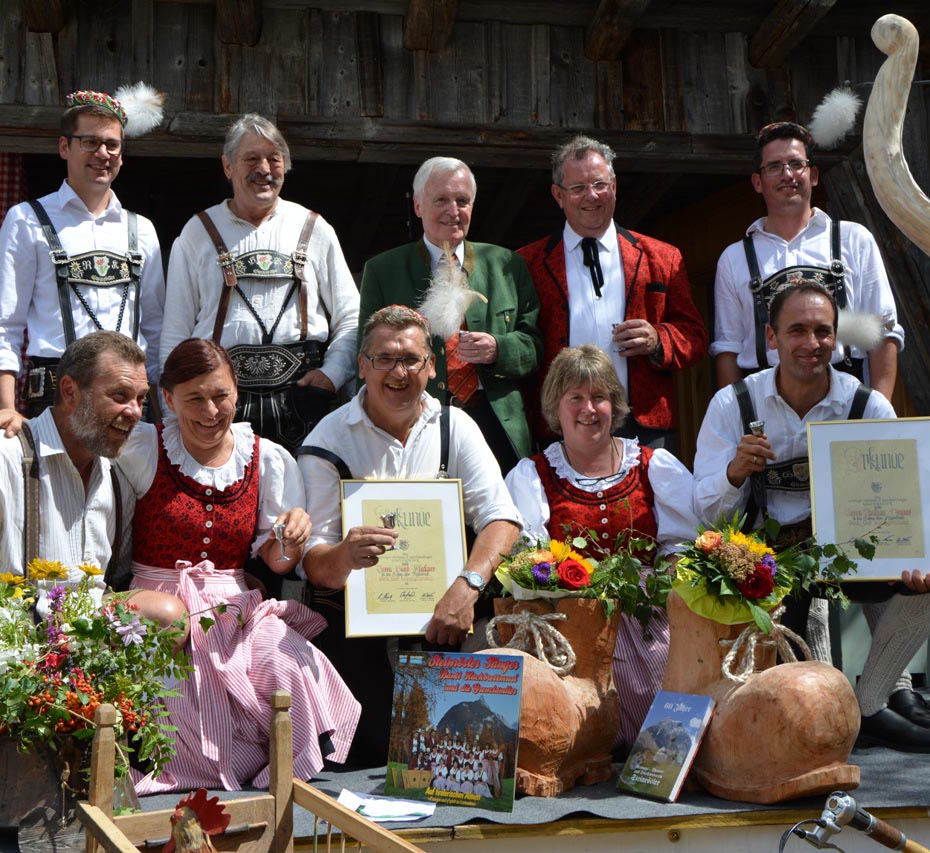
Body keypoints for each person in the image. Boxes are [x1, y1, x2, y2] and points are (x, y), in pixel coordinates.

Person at [0, 337, 363, 791]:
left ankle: (262, 767)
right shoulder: (143, 445)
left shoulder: (268, 458)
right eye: (195, 398)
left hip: (234, 604)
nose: (211, 411)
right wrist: (19, 419)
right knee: (175, 666)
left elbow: (279, 562)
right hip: (157, 600)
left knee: (292, 664)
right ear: (168, 400)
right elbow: (79, 433)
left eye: (221, 396)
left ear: (238, 392)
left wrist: (292, 534)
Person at [693, 282, 930, 752]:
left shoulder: (867, 405)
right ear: (771, 338)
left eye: (823, 331)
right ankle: (837, 708)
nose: (811, 344)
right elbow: (706, 515)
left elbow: (901, 498)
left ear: (837, 338)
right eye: (797, 330)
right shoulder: (734, 405)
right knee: (789, 691)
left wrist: (925, 544)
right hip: (766, 562)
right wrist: (734, 473)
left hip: (843, 552)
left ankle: (870, 701)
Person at [0, 331, 160, 787]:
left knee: (166, 614)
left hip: (70, 662)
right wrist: (10, 664)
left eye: (140, 398)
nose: (134, 412)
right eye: (118, 395)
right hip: (2, 658)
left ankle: (78, 740)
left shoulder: (114, 480)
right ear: (70, 390)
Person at [298, 306, 523, 766]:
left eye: (411, 360)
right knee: (368, 766)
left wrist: (468, 585)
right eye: (384, 359)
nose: (398, 373)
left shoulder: (454, 426)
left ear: (431, 366)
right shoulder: (327, 441)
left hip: (449, 624)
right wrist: (345, 554)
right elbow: (314, 564)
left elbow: (502, 520)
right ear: (361, 365)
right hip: (355, 637)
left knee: (458, 765)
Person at [504, 345, 699, 749]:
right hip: (574, 617)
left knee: (670, 695)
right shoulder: (533, 475)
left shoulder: (652, 464)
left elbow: (681, 542)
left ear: (616, 404)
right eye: (575, 398)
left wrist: (666, 577)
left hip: (651, 615)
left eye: (599, 397)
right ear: (556, 408)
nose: (588, 409)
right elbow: (530, 558)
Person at [159, 114, 358, 454]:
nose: (264, 169)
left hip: (305, 400)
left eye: (274, 159)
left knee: (304, 504)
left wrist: (333, 374)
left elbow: (351, 316)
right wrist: (173, 421)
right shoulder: (197, 232)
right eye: (251, 158)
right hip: (220, 403)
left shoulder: (314, 228)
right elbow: (175, 335)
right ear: (228, 166)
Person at [0, 88, 166, 416]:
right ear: (65, 147)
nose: (103, 153)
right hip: (58, 396)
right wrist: (5, 409)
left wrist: (163, 414)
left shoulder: (142, 231)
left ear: (122, 154)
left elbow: (153, 329)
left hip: (130, 403)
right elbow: (4, 322)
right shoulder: (26, 220)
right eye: (90, 142)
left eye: (112, 144)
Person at [518, 136, 707, 451]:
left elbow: (695, 336)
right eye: (578, 188)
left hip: (643, 422)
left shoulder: (663, 256)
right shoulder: (527, 262)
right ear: (558, 195)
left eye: (599, 184)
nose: (591, 196)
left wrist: (657, 339)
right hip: (559, 424)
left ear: (615, 186)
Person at [358, 157, 542, 474]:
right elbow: (365, 355)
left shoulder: (507, 264)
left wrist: (499, 349)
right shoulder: (382, 270)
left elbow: (536, 347)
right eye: (440, 200)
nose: (453, 211)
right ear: (418, 206)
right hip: (416, 424)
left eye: (462, 201)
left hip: (495, 423)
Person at [712, 121, 904, 400]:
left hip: (845, 399)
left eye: (796, 164)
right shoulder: (735, 257)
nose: (786, 174)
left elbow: (883, 331)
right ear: (757, 182)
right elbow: (728, 349)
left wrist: (877, 418)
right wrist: (738, 422)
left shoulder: (854, 239)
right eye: (774, 166)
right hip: (765, 403)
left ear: (813, 175)